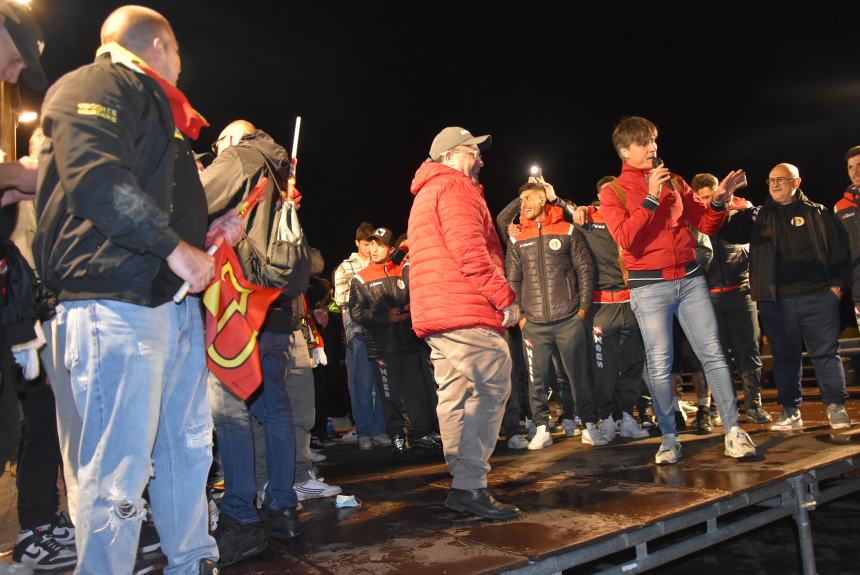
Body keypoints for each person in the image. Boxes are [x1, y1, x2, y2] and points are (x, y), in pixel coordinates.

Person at [33, 6, 241, 573]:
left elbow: (153, 199)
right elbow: (96, 180)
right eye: (177, 53)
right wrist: (178, 250)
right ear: (160, 46)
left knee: (188, 448)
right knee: (114, 473)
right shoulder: (99, 83)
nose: (181, 64)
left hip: (166, 306)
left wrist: (206, 232)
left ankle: (192, 560)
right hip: (111, 305)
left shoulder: (156, 108)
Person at [598, 116, 756, 465]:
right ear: (625, 151)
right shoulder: (613, 192)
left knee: (713, 353)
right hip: (649, 286)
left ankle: (733, 430)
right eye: (643, 142)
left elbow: (705, 222)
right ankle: (669, 437)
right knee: (659, 362)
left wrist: (720, 199)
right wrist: (651, 198)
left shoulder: (675, 180)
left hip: (690, 279)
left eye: (653, 139)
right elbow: (625, 238)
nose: (652, 147)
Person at [201, 120, 311, 565]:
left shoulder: (241, 159)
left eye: (218, 143)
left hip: (240, 305)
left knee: (229, 411)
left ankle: (241, 516)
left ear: (233, 139)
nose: (215, 152)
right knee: (274, 409)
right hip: (276, 309)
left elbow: (193, 201)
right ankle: (283, 507)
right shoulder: (280, 176)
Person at [407, 126, 521, 520]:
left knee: (454, 393)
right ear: (452, 156)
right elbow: (470, 253)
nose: (481, 158)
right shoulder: (456, 188)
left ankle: (463, 483)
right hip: (462, 305)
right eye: (474, 151)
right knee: (493, 379)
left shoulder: (428, 191)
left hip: (437, 311)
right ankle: (471, 483)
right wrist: (504, 297)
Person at [722, 163, 851, 431]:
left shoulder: (818, 213)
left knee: (826, 353)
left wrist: (836, 288)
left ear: (797, 182)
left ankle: (835, 406)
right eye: (771, 180)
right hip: (775, 300)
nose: (775, 184)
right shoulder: (758, 215)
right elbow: (727, 233)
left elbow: (840, 252)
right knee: (784, 356)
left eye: (782, 179)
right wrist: (724, 199)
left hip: (818, 296)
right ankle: (791, 411)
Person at [506, 181, 602, 448]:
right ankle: (540, 428)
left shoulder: (568, 229)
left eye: (527, 198)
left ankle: (589, 424)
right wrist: (522, 316)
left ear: (541, 200)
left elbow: (585, 271)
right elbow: (513, 279)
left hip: (568, 318)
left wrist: (582, 308)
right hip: (533, 324)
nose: (522, 204)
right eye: (520, 199)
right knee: (536, 380)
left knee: (578, 376)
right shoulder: (516, 237)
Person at [349, 227, 440, 453]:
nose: (374, 249)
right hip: (381, 348)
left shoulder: (403, 269)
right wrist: (384, 317)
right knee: (389, 394)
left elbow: (418, 292)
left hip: (409, 343)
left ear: (390, 249)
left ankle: (421, 434)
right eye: (371, 244)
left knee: (417, 392)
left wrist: (412, 307)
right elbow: (356, 312)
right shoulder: (360, 278)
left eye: (379, 245)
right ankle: (397, 434)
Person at [573, 178, 652, 442]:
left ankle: (626, 416)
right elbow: (562, 213)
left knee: (632, 364)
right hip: (601, 307)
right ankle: (606, 419)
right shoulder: (586, 220)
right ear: (599, 196)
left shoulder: (636, 218)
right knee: (602, 369)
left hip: (632, 303)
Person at [691, 173, 771, 425]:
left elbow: (760, 246)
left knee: (749, 352)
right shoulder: (692, 219)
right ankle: (719, 407)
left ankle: (754, 406)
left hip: (742, 292)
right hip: (709, 299)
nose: (707, 201)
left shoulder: (742, 210)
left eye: (711, 195)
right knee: (716, 356)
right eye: (702, 198)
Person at [333, 222, 389, 449]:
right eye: (366, 244)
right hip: (358, 332)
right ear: (358, 243)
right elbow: (340, 298)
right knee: (363, 385)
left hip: (383, 331)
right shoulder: (345, 267)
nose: (370, 249)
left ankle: (381, 430)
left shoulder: (381, 265)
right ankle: (364, 432)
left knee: (382, 384)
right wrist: (369, 295)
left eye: (374, 244)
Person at [835, 146, 860, 328]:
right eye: (850, 167)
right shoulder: (840, 207)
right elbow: (840, 252)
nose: (855, 171)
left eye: (859, 165)